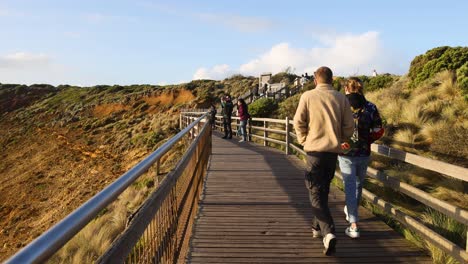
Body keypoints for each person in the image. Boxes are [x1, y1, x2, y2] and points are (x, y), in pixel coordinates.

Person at [293, 66, 354, 256]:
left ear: (315, 80)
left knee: (315, 192)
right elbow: (349, 125)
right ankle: (317, 227)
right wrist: (343, 139)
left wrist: (304, 140)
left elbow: (298, 121)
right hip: (332, 153)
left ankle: (328, 232)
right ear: (332, 79)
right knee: (322, 190)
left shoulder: (308, 96)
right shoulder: (340, 97)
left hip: (314, 152)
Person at [339, 77, 384, 239]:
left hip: (345, 152)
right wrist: (367, 140)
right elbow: (379, 129)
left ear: (346, 89)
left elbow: (333, 126)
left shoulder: (341, 105)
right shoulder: (370, 107)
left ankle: (353, 224)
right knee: (358, 184)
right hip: (364, 152)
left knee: (350, 185)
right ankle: (352, 213)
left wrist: (342, 141)